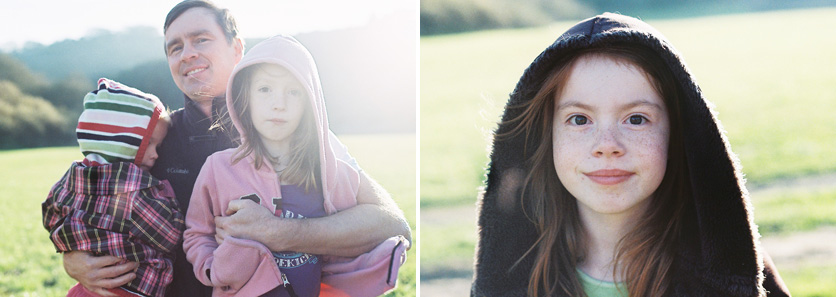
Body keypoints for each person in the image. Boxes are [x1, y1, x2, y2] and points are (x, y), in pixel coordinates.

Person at [61, 1, 412, 296]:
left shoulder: (289, 130)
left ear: (237, 49)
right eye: (175, 47)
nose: (189, 54)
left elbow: (391, 223)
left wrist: (279, 232)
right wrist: (73, 259)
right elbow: (90, 207)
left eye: (201, 39)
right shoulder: (154, 141)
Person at [471, 13, 791, 296]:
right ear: (546, 136)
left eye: (636, 119)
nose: (607, 144)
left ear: (678, 135)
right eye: (579, 119)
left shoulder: (737, 269)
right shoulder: (511, 277)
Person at [183, 35, 407, 297]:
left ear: (310, 103)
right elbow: (197, 234)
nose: (279, 103)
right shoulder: (219, 168)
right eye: (265, 89)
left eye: (293, 92)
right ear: (246, 98)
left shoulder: (329, 173)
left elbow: (384, 228)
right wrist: (211, 269)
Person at [42, 78, 182, 297]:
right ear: (123, 140)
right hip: (128, 289)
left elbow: (50, 215)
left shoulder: (71, 176)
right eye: (150, 144)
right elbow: (170, 235)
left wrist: (73, 243)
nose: (156, 154)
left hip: (84, 289)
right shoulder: (134, 189)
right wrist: (166, 193)